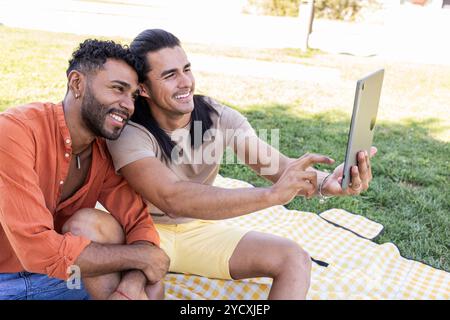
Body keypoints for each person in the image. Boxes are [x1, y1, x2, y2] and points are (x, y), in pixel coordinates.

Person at [107, 29, 376, 300]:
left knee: (294, 258)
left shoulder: (216, 116)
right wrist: (270, 196)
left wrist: (327, 183)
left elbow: (278, 168)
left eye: (186, 69)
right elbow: (172, 196)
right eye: (170, 75)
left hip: (196, 231)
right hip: (141, 231)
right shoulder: (130, 130)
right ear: (143, 88)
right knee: (134, 290)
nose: (185, 82)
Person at [0, 39, 170, 300]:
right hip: (6, 282)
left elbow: (138, 223)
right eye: (118, 89)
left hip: (61, 278)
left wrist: (132, 283)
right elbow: (37, 250)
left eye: (133, 95)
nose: (128, 105)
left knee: (148, 284)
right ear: (77, 83)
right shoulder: (15, 132)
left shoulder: (103, 150)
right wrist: (141, 257)